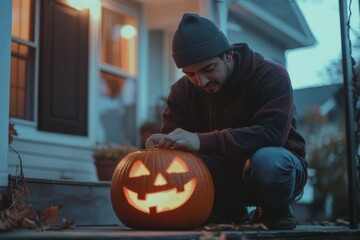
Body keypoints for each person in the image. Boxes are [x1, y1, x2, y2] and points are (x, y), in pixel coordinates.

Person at [145, 13, 308, 230]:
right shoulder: (181, 92)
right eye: (190, 74)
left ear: (228, 55)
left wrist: (199, 141)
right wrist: (163, 148)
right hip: (221, 175)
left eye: (208, 69)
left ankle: (274, 209)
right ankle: (227, 209)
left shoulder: (271, 75)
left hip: (276, 172)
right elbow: (175, 158)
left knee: (267, 161)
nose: (200, 81)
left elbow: (271, 134)